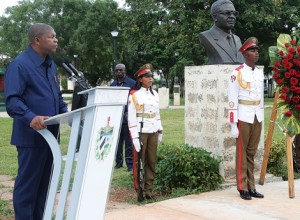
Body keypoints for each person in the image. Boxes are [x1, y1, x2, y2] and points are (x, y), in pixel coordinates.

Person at [4, 23, 68, 219]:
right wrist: (31, 117)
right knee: (27, 190)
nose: (56, 39)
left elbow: (56, 96)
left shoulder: (51, 64)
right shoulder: (19, 65)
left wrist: (68, 114)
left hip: (51, 137)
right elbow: (13, 101)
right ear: (37, 40)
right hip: (31, 139)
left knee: (44, 189)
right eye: (52, 36)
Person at [228, 37, 264, 200]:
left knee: (251, 152)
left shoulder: (259, 72)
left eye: (256, 50)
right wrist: (233, 123)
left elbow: (261, 96)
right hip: (243, 115)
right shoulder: (237, 73)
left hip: (257, 114)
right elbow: (232, 98)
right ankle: (242, 187)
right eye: (252, 50)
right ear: (244, 54)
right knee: (242, 152)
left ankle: (252, 186)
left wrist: (261, 113)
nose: (256, 53)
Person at [128, 63, 163, 201]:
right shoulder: (135, 96)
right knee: (139, 163)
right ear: (140, 79)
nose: (150, 79)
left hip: (153, 130)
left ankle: (149, 190)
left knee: (151, 161)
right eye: (147, 77)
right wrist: (135, 137)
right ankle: (139, 191)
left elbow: (157, 113)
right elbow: (131, 118)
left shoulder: (155, 95)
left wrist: (160, 130)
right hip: (141, 131)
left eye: (151, 76)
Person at [199, 0, 244, 65]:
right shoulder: (206, 36)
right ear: (215, 17)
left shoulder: (237, 39)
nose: (232, 16)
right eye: (227, 13)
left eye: (234, 13)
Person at [110, 63, 136, 171]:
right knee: (118, 142)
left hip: (128, 117)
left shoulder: (132, 83)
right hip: (117, 117)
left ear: (124, 71)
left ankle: (130, 164)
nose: (119, 72)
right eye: (117, 70)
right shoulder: (113, 85)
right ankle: (118, 163)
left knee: (129, 142)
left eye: (121, 70)